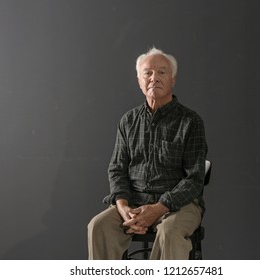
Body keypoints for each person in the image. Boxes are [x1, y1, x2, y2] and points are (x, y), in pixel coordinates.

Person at [87, 47, 208, 259]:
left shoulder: (190, 122)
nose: (154, 78)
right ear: (139, 80)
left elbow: (194, 180)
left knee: (169, 231)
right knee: (99, 226)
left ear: (173, 79)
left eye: (162, 72)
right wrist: (123, 207)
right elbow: (117, 170)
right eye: (148, 73)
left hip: (178, 206)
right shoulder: (128, 121)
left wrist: (159, 208)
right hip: (134, 203)